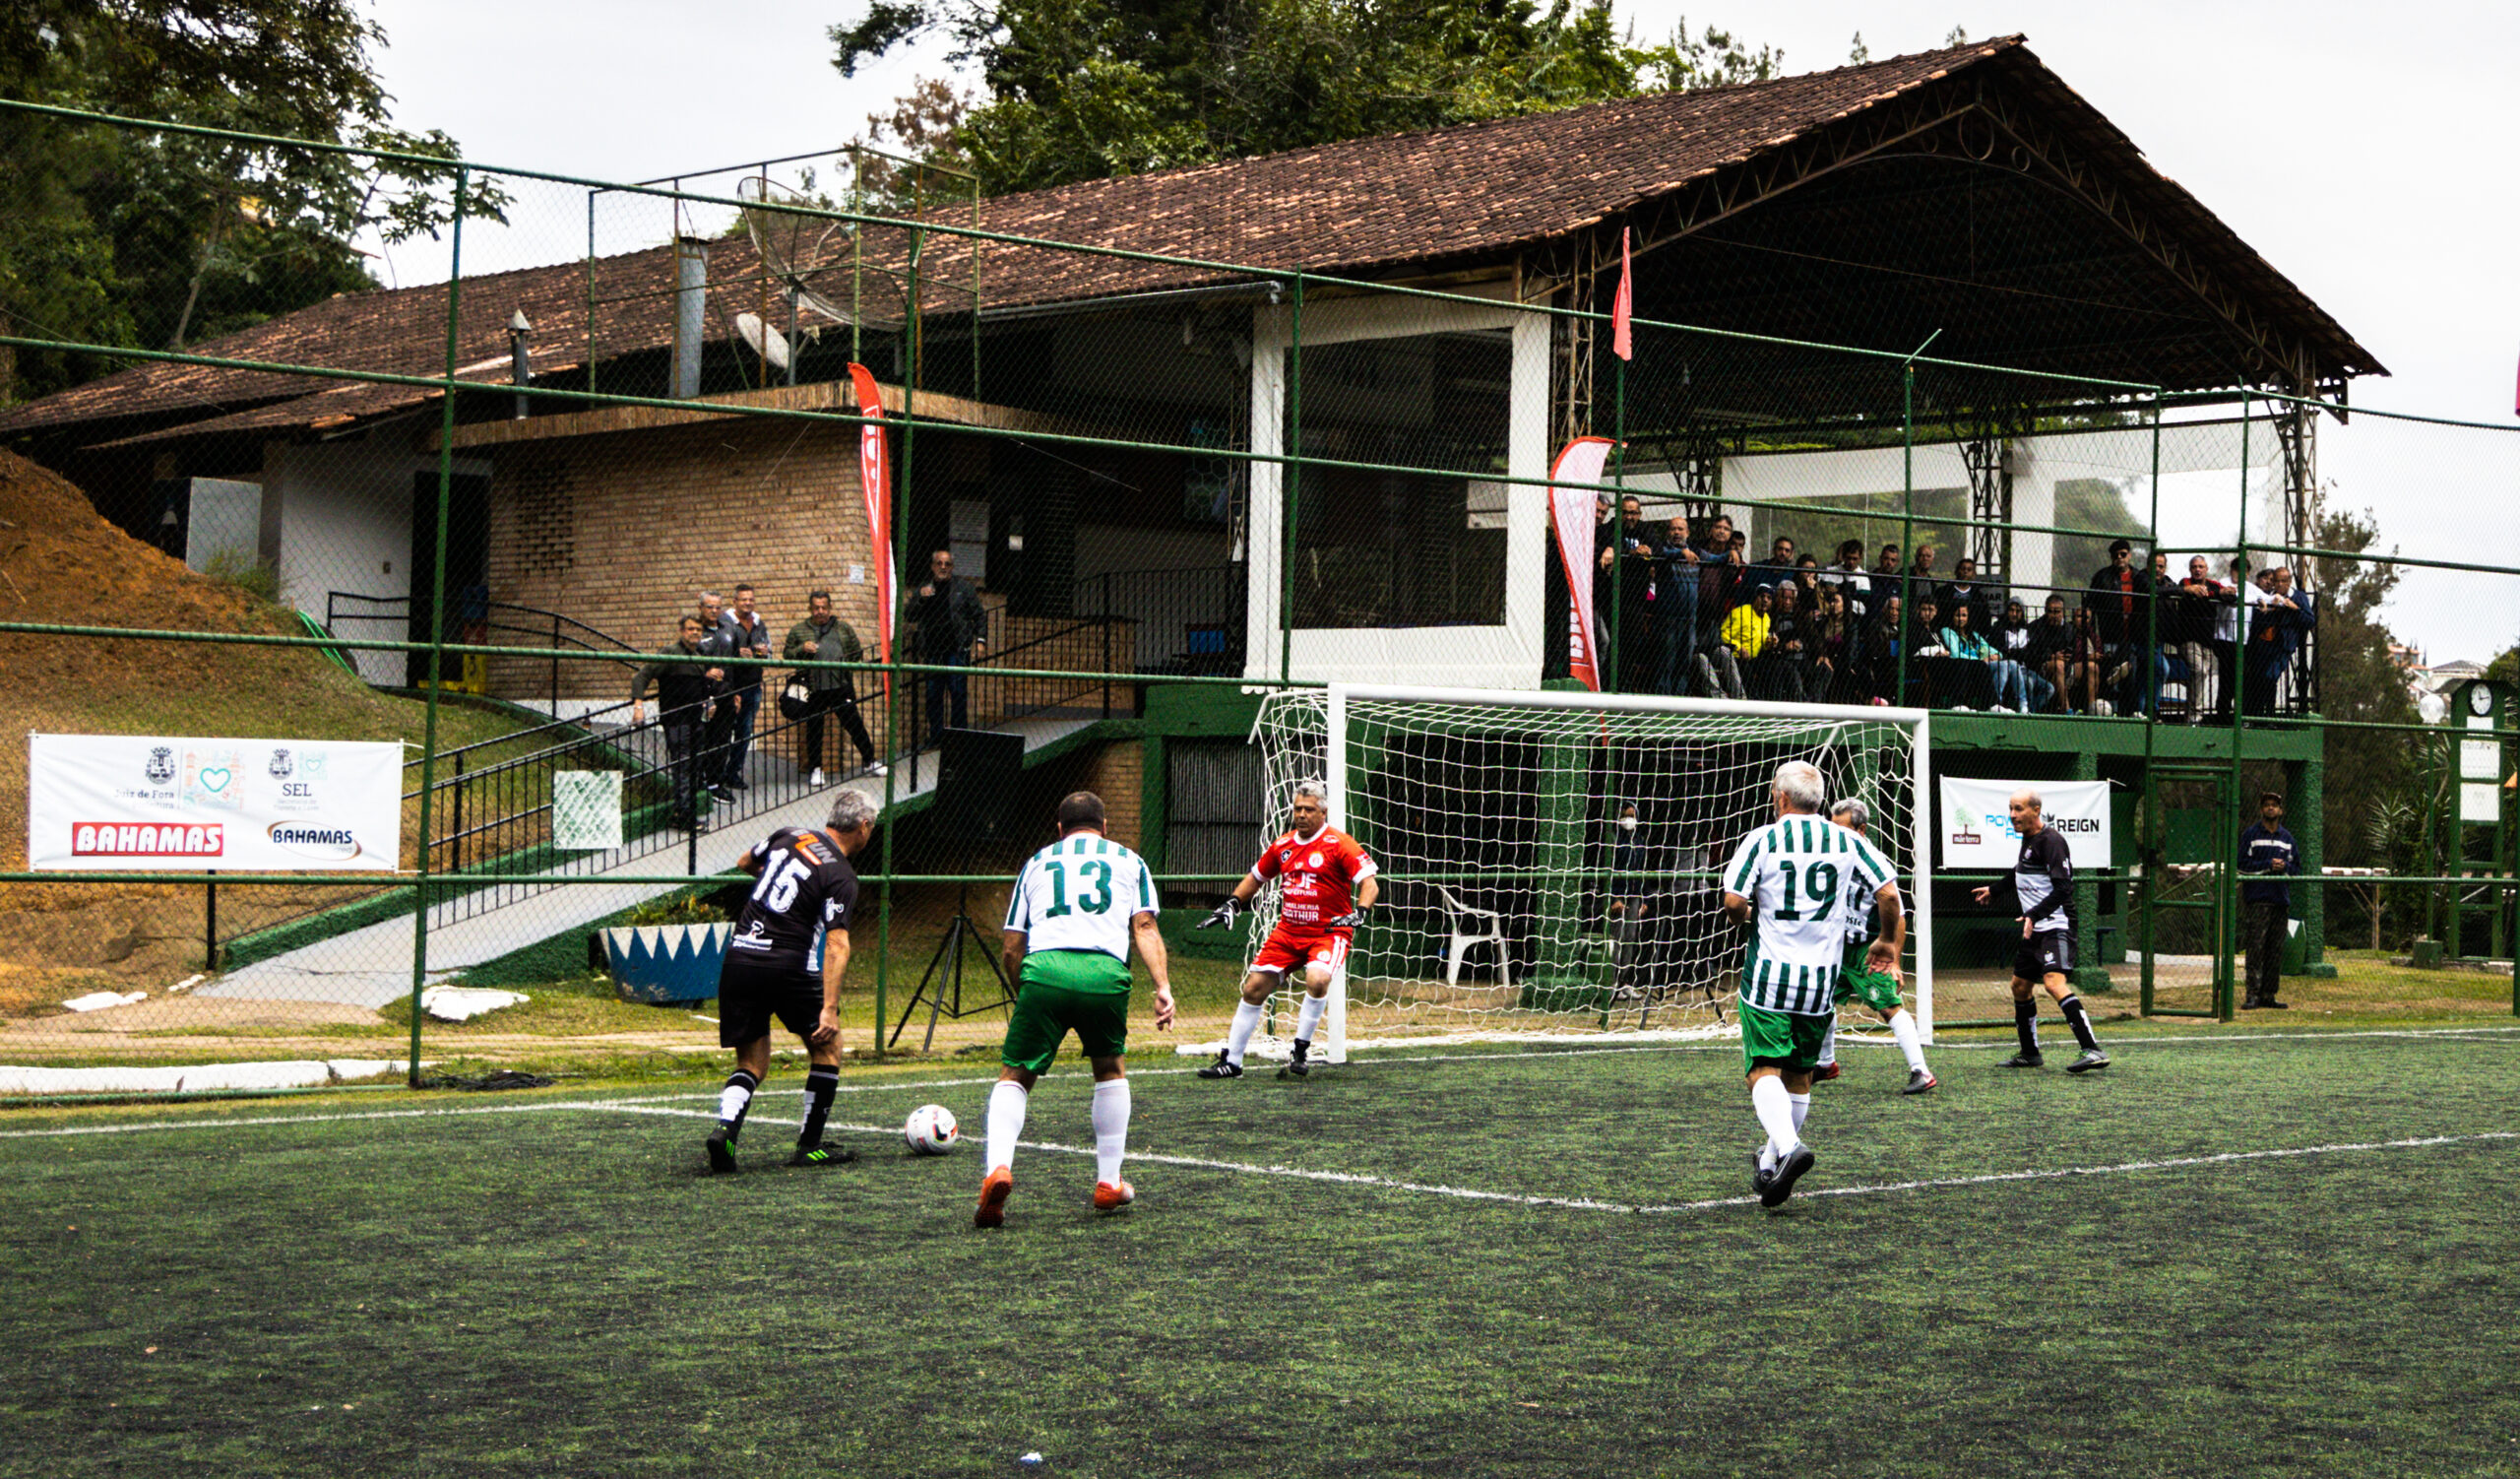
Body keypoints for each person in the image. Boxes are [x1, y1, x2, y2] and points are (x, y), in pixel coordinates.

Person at [976, 791, 1175, 1228]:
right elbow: (1144, 926)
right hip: (1104, 974)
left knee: (1015, 1075)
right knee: (1109, 1069)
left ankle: (998, 1170)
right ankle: (1108, 1182)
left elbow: (1012, 943)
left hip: (1045, 970)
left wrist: (1024, 989)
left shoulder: (1037, 862)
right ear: (1104, 827)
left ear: (1060, 828)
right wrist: (1162, 987)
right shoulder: (1129, 860)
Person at [1721, 760, 1905, 1207]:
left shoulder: (1762, 839)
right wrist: (1884, 941)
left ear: (1779, 797)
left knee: (1763, 1068)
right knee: (1800, 1075)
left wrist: (1745, 917)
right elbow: (1890, 894)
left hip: (1770, 974)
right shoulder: (1846, 838)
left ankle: (1787, 1148)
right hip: (1821, 979)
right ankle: (1770, 1163)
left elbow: (1733, 901)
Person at [702, 789, 877, 1173]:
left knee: (751, 1061)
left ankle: (726, 1131)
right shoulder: (841, 874)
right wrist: (829, 1009)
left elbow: (745, 860)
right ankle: (810, 1146)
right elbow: (837, 945)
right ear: (863, 827)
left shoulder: (789, 834)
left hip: (740, 957)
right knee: (828, 1048)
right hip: (789, 966)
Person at [1194, 778, 1380, 1079]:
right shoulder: (1283, 845)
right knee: (1253, 988)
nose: (1301, 815)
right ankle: (1233, 1062)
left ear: (1323, 811)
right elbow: (1255, 878)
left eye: (1308, 809)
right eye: (1297, 809)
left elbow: (1369, 883)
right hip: (1289, 931)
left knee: (1317, 979)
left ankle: (1300, 1050)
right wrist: (1232, 903)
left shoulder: (1339, 843)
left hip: (1328, 931)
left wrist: (1360, 911)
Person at [1970, 789, 2109, 1072]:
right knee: (2020, 986)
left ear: (2036, 810)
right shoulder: (2029, 840)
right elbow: (2021, 869)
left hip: (2055, 925)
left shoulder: (2052, 841)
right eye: (2010, 809)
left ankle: (2092, 1049)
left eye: (2019, 809)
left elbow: (2064, 887)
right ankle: (2030, 1053)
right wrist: (1995, 890)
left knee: (2053, 983)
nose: (2012, 815)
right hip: (2034, 926)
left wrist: (2034, 914)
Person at [1809, 798, 1934, 1094]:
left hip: (1868, 952)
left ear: (1861, 829)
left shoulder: (1872, 859)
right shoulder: (1833, 858)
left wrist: (1894, 961)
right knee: (1819, 1002)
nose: (1836, 835)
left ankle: (1921, 1070)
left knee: (1889, 1007)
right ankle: (1826, 1063)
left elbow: (1899, 914)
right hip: (1837, 948)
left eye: (1843, 830)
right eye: (1832, 828)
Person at [630, 614, 724, 831]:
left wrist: (708, 701)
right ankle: (685, 816)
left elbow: (700, 687)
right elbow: (641, 677)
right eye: (691, 629)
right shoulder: (670, 653)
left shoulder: (700, 655)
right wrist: (638, 706)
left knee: (693, 767)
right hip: (676, 719)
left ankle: (681, 812)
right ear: (682, 631)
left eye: (698, 630)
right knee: (683, 767)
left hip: (696, 719)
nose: (695, 633)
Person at [784, 589, 885, 785]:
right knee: (814, 729)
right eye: (816, 608)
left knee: (855, 725)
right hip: (813, 688)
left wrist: (846, 663)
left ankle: (869, 761)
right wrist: (801, 649)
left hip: (840, 686)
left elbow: (856, 652)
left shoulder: (843, 628)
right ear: (810, 609)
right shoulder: (799, 630)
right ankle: (816, 769)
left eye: (823, 607)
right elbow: (787, 655)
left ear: (830, 608)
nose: (820, 611)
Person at [903, 548, 988, 745]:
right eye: (939, 564)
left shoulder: (963, 588)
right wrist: (920, 599)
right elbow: (909, 615)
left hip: (957, 650)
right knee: (933, 695)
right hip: (933, 651)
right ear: (933, 566)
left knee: (958, 693)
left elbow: (979, 615)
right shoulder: (925, 588)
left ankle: (958, 738)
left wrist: (981, 641)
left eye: (947, 564)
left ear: (952, 567)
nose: (943, 567)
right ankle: (937, 737)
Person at [2237, 791, 2300, 1009]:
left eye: (2274, 805)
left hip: (2280, 900)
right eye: (2267, 805)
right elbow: (2242, 865)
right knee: (2256, 948)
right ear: (2262, 809)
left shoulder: (2288, 839)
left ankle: (2268, 994)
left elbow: (2297, 869)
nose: (2270, 808)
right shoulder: (2251, 835)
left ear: (2281, 810)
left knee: (2275, 950)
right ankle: (2252, 994)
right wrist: (2266, 866)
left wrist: (2285, 868)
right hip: (2258, 900)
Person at [715, 583, 775, 794]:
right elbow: (718, 649)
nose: (748, 603)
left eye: (751, 599)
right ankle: (715, 776)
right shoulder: (724, 622)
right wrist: (736, 654)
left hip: (752, 685)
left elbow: (770, 653)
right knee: (722, 731)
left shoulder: (758, 623)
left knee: (745, 731)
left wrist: (763, 652)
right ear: (735, 602)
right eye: (743, 599)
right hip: (730, 686)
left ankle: (733, 773)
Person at [2245, 566, 2316, 716]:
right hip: (2264, 644)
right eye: (2276, 581)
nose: (2279, 585)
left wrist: (2295, 609)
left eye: (2283, 581)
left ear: (2289, 581)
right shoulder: (2267, 596)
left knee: (2270, 676)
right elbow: (2256, 620)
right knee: (2258, 679)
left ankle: (2269, 714)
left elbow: (2310, 621)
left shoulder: (2299, 597)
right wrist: (2269, 610)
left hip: (2283, 645)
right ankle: (2258, 715)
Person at [2174, 556, 2232, 723]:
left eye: (2201, 566)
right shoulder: (2185, 583)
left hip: (2207, 641)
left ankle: (2191, 713)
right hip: (2188, 639)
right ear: (2190, 569)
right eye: (2194, 567)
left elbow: (2228, 597)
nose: (2197, 569)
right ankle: (2195, 715)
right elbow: (2183, 591)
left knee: (2202, 674)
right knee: (2198, 670)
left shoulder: (2214, 585)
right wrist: (2216, 594)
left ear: (2206, 569)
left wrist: (2226, 592)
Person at [1720, 582, 1776, 699]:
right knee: (1746, 670)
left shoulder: (1767, 619)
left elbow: (1761, 642)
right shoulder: (1741, 612)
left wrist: (1769, 643)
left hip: (1754, 658)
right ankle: (1753, 700)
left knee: (1774, 667)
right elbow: (1723, 634)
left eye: (1769, 598)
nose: (1765, 600)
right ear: (1755, 598)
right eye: (1762, 596)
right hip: (1736, 656)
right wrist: (1738, 647)